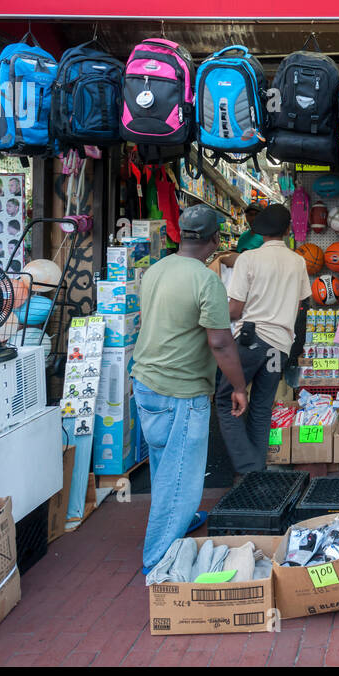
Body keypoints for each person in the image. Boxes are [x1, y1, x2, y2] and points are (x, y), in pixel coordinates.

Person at [132, 204, 248, 574]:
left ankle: (178, 522)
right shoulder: (206, 280)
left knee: (165, 465)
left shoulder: (156, 269)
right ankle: (159, 564)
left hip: (146, 382)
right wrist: (239, 386)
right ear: (215, 239)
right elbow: (221, 342)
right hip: (180, 390)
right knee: (179, 481)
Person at [217, 205, 310, 474]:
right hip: (279, 346)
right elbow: (302, 303)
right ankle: (256, 471)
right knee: (261, 407)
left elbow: (235, 310)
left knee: (226, 400)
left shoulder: (248, 258)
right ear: (288, 231)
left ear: (258, 232)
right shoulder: (298, 261)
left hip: (249, 341)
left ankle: (247, 469)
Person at [212, 203, 266, 269]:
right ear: (246, 217)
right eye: (250, 215)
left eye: (256, 214)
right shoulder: (243, 236)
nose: (253, 218)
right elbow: (239, 254)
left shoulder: (266, 237)